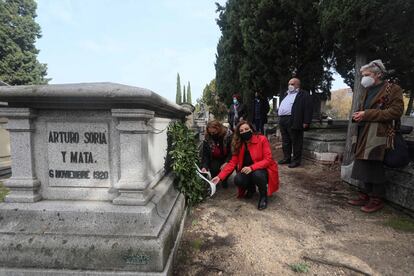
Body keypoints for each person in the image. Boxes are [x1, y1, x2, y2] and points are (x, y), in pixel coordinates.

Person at [348, 59, 404, 213]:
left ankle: (376, 198)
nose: (363, 78)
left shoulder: (393, 89)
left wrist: (367, 114)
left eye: (366, 74)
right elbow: (364, 109)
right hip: (363, 131)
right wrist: (358, 116)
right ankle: (364, 194)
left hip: (378, 133)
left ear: (378, 74)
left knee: (373, 164)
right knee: (361, 163)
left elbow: (396, 112)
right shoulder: (367, 90)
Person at [211, 121, 279, 210]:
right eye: (241, 131)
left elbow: (268, 159)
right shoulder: (239, 144)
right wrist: (219, 177)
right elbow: (232, 163)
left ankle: (263, 195)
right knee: (238, 179)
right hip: (247, 171)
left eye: (247, 129)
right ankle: (251, 189)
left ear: (251, 129)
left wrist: (252, 167)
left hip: (262, 170)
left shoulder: (262, 139)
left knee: (257, 174)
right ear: (239, 133)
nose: (244, 132)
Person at [277, 78, 313, 168]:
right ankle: (287, 158)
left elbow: (308, 108)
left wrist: (306, 121)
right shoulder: (286, 94)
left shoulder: (304, 94)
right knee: (285, 140)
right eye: (289, 84)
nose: (290, 86)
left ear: (298, 85)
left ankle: (296, 161)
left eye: (292, 84)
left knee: (296, 141)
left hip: (294, 119)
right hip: (283, 120)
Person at [201, 120, 233, 188]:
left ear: (219, 129)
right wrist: (204, 166)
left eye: (214, 132)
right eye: (210, 133)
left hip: (227, 157)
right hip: (215, 158)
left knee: (227, 167)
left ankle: (224, 179)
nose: (212, 134)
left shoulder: (228, 135)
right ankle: (216, 178)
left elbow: (232, 151)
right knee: (214, 168)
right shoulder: (207, 138)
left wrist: (227, 162)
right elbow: (205, 155)